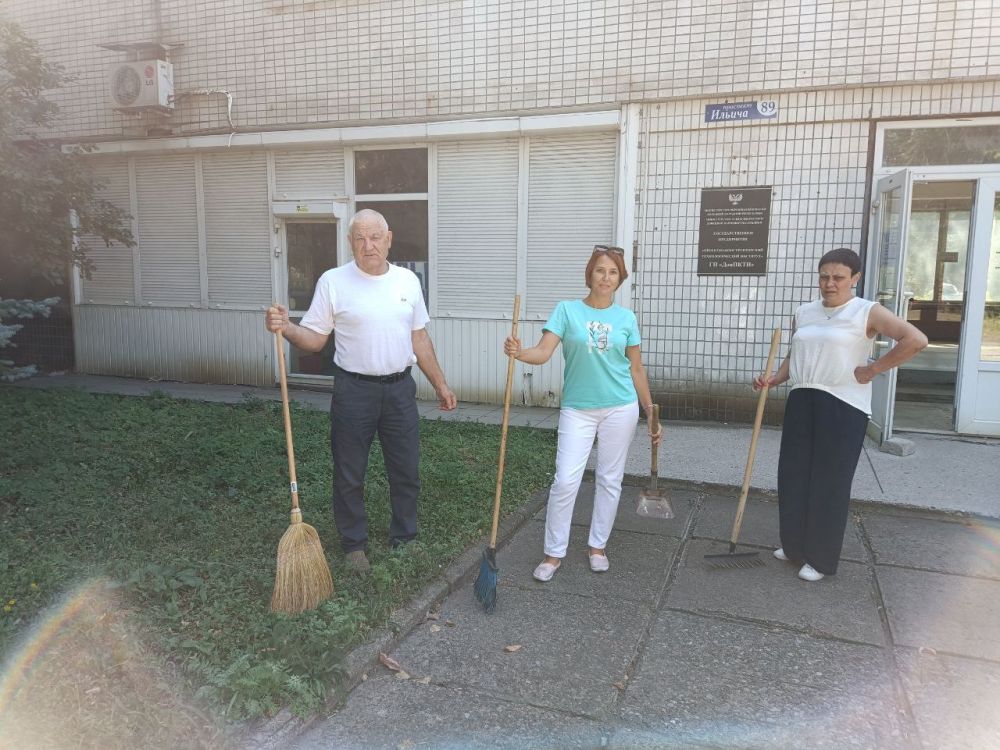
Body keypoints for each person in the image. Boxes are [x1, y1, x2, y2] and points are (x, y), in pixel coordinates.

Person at [265, 209, 457, 573]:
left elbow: (419, 337)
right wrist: (287, 328)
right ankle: (354, 545)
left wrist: (441, 384)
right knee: (349, 472)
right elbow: (315, 339)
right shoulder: (334, 282)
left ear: (389, 239)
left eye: (375, 237)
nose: (368, 245)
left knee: (406, 469)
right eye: (359, 238)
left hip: (400, 390)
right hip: (354, 391)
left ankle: (405, 537)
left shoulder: (407, 281)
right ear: (350, 242)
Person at [753, 247, 927, 582]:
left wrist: (874, 368)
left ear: (855, 279)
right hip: (802, 398)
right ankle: (794, 547)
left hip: (843, 405)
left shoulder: (866, 312)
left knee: (828, 482)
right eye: (824, 277)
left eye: (838, 277)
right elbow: (796, 351)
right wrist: (776, 378)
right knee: (793, 475)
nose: (830, 284)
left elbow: (916, 339)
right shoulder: (804, 312)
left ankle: (819, 558)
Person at [504, 245, 661, 581]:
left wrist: (649, 410)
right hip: (578, 408)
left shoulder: (626, 318)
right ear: (589, 273)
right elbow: (543, 352)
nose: (606, 277)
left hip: (621, 407)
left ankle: (597, 546)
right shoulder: (567, 310)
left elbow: (636, 369)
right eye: (601, 270)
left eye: (613, 272)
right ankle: (553, 553)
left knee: (609, 479)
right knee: (565, 480)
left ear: (620, 279)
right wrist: (519, 353)